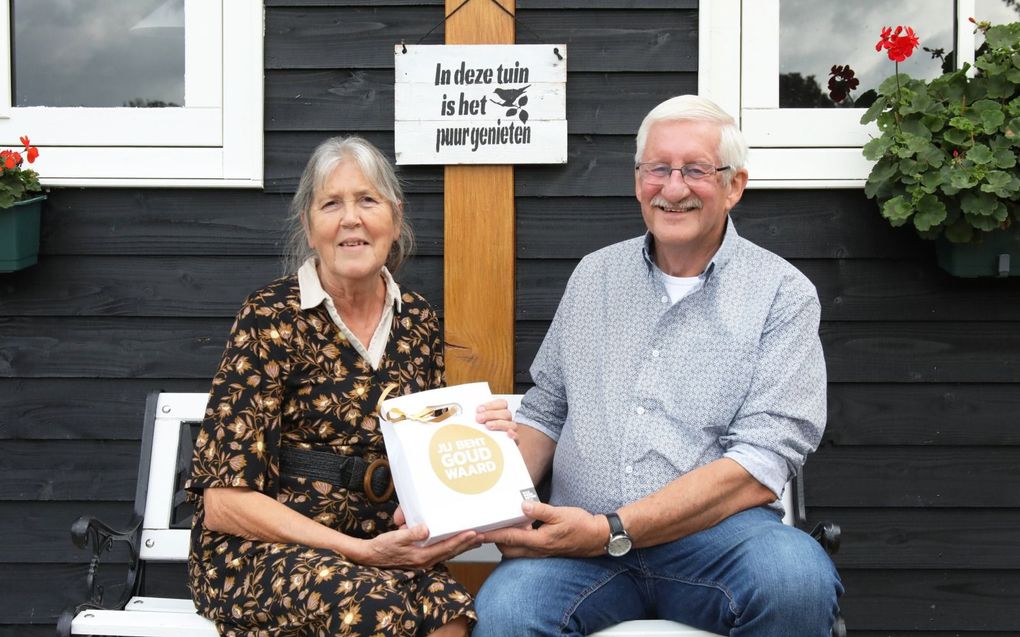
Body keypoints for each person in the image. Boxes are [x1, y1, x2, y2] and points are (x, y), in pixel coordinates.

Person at [472, 96, 844, 636]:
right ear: (638, 179)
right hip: (578, 551)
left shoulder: (781, 293)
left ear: (734, 185)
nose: (673, 188)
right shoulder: (594, 276)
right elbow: (546, 411)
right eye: (658, 169)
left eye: (695, 170)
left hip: (716, 543)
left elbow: (763, 461)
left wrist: (611, 529)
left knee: (795, 580)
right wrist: (482, 508)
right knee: (508, 611)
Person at [186, 136, 507, 637]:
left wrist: (484, 444)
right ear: (310, 228)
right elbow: (225, 503)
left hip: (379, 545)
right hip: (264, 553)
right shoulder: (271, 317)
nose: (350, 218)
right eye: (331, 203)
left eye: (367, 200)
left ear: (394, 220)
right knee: (369, 610)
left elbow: (422, 456)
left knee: (451, 611)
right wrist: (359, 552)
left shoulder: (417, 319)